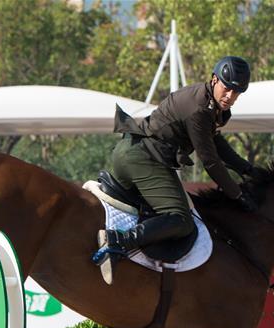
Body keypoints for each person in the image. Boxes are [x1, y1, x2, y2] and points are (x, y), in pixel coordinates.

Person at [95, 55, 259, 284]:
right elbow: (210, 161)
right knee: (181, 219)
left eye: (237, 92)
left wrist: (248, 169)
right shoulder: (200, 109)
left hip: (131, 152)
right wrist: (237, 194)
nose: (231, 96)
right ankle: (118, 241)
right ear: (214, 80)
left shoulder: (208, 101)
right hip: (143, 159)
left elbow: (217, 143)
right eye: (227, 88)